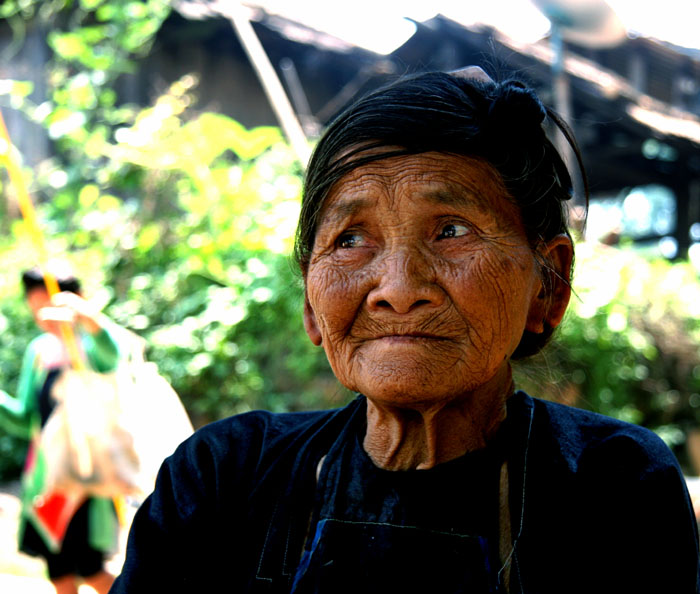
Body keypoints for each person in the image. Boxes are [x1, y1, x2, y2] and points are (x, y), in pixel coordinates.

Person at [110, 69, 700, 593]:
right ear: (313, 305)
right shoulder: (222, 479)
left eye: (451, 231)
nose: (397, 287)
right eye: (350, 239)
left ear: (548, 286)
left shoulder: (610, 486)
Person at [0, 263, 121, 594]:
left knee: (92, 569)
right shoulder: (38, 351)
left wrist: (87, 317)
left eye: (47, 301)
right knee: (59, 571)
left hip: (86, 479)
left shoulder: (90, 345)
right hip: (46, 477)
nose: (41, 311)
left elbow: (113, 357)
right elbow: (26, 420)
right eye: (35, 303)